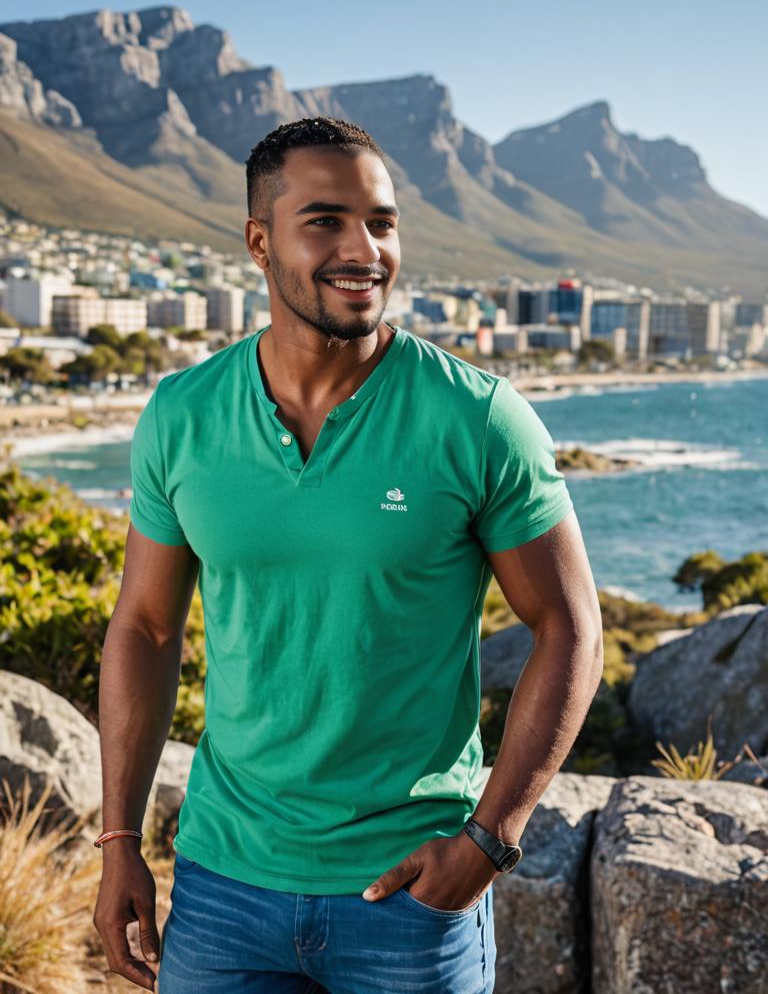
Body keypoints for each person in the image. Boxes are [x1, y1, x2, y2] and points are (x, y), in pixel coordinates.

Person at [92, 116, 603, 993]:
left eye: (382, 222)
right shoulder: (182, 415)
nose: (363, 248)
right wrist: (117, 843)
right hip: (223, 887)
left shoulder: (477, 418)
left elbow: (569, 626)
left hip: (411, 900)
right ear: (259, 242)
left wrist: (489, 841)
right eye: (325, 220)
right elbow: (142, 628)